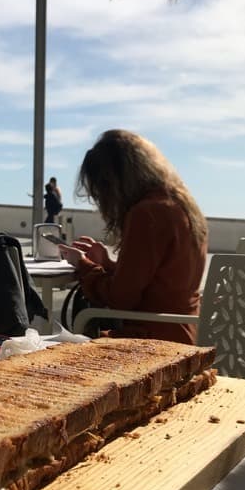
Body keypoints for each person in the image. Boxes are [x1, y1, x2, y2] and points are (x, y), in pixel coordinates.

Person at [58, 129, 207, 345]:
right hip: (182, 332)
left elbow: (120, 299)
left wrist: (83, 265)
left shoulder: (147, 214)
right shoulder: (179, 204)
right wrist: (108, 264)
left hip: (151, 339)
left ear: (113, 184)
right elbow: (156, 281)